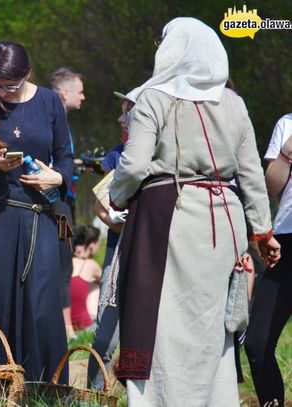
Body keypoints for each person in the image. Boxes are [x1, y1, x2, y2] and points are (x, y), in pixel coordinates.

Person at [108, 18, 280, 405]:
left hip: (169, 221)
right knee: (211, 326)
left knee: (165, 323)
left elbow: (134, 166)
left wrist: (117, 196)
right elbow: (251, 174)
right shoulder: (234, 103)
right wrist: (262, 233)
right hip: (225, 223)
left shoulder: (153, 98)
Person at [0, 40, 74, 382]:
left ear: (28, 75)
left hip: (40, 219)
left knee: (42, 307)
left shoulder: (49, 102)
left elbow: (65, 156)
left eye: (11, 86)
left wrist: (57, 176)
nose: (3, 92)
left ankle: (44, 388)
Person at [87, 90, 135, 390]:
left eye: (126, 111)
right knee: (104, 334)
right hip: (118, 250)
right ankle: (93, 395)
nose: (120, 117)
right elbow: (99, 205)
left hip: (154, 254)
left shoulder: (164, 155)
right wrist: (112, 220)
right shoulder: (116, 155)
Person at [245, 114, 292, 407]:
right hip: (287, 238)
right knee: (257, 342)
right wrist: (287, 152)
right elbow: (271, 187)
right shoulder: (287, 123)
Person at [50, 67, 85, 340]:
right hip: (59, 204)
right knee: (64, 260)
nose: (83, 97)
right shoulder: (53, 118)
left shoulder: (53, 117)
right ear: (65, 92)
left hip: (62, 202)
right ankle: (66, 327)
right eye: (80, 91)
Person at [70, 225, 101, 331]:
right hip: (85, 326)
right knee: (99, 284)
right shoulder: (91, 265)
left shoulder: (65, 263)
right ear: (92, 245)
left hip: (65, 325)